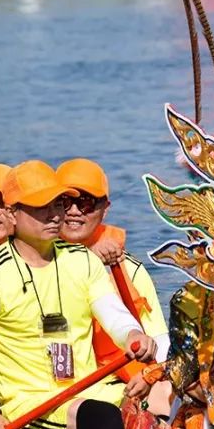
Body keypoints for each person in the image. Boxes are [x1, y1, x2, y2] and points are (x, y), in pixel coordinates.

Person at [0, 160, 156, 429]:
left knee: (170, 400)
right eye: (40, 206)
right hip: (31, 409)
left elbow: (114, 314)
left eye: (58, 203)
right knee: (107, 420)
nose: (55, 214)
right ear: (11, 214)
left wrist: (134, 334)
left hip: (88, 389)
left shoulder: (82, 260)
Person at [56, 158, 171, 408]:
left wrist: (150, 375)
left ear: (105, 209)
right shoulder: (35, 262)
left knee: (165, 392)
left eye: (85, 202)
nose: (74, 211)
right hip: (60, 385)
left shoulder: (130, 268)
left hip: (117, 380)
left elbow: (160, 341)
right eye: (65, 202)